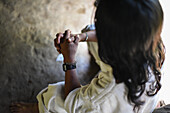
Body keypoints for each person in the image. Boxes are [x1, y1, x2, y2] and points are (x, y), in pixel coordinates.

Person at [10, 0, 166, 113]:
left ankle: (38, 107)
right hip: (137, 89)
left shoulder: (107, 93)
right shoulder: (152, 44)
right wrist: (82, 37)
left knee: (55, 96)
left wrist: (69, 60)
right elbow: (114, 36)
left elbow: (72, 100)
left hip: (111, 106)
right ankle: (94, 52)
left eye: (101, 26)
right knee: (89, 30)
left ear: (112, 46)